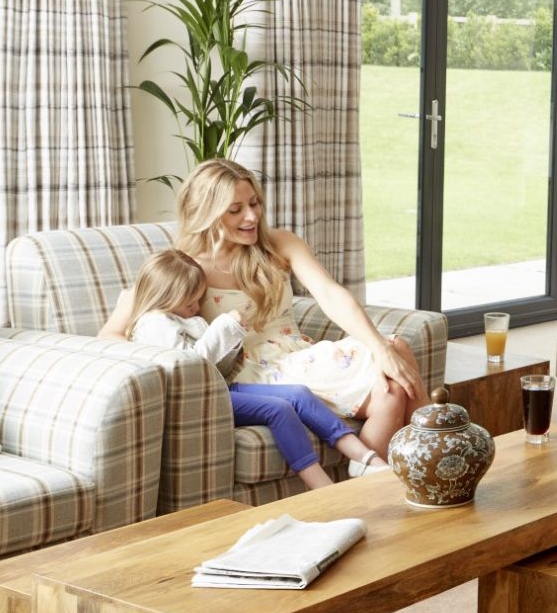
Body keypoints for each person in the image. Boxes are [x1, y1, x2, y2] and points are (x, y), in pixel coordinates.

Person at [101, 158, 424, 456]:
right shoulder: (181, 269)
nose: (252, 216)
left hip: (298, 357)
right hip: (254, 374)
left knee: (392, 383)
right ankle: (439, 463)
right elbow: (111, 335)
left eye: (254, 203)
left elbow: (330, 293)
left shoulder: (279, 244)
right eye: (235, 209)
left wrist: (377, 348)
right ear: (206, 211)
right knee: (395, 355)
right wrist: (167, 358)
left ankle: (373, 490)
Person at [124, 249, 391, 488]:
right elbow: (189, 367)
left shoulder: (185, 319)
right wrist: (224, 326)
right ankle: (321, 488)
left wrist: (234, 341)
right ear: (165, 297)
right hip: (196, 399)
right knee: (278, 409)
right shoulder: (155, 323)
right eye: (190, 303)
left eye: (198, 301)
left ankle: (365, 458)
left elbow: (217, 365)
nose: (196, 308)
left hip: (221, 388)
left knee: (297, 393)